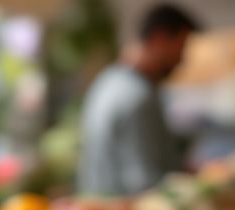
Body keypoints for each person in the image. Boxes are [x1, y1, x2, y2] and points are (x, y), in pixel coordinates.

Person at [78, 4, 199, 197]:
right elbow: (145, 183)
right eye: (181, 47)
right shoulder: (138, 97)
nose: (182, 59)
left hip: (98, 209)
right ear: (160, 38)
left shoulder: (108, 79)